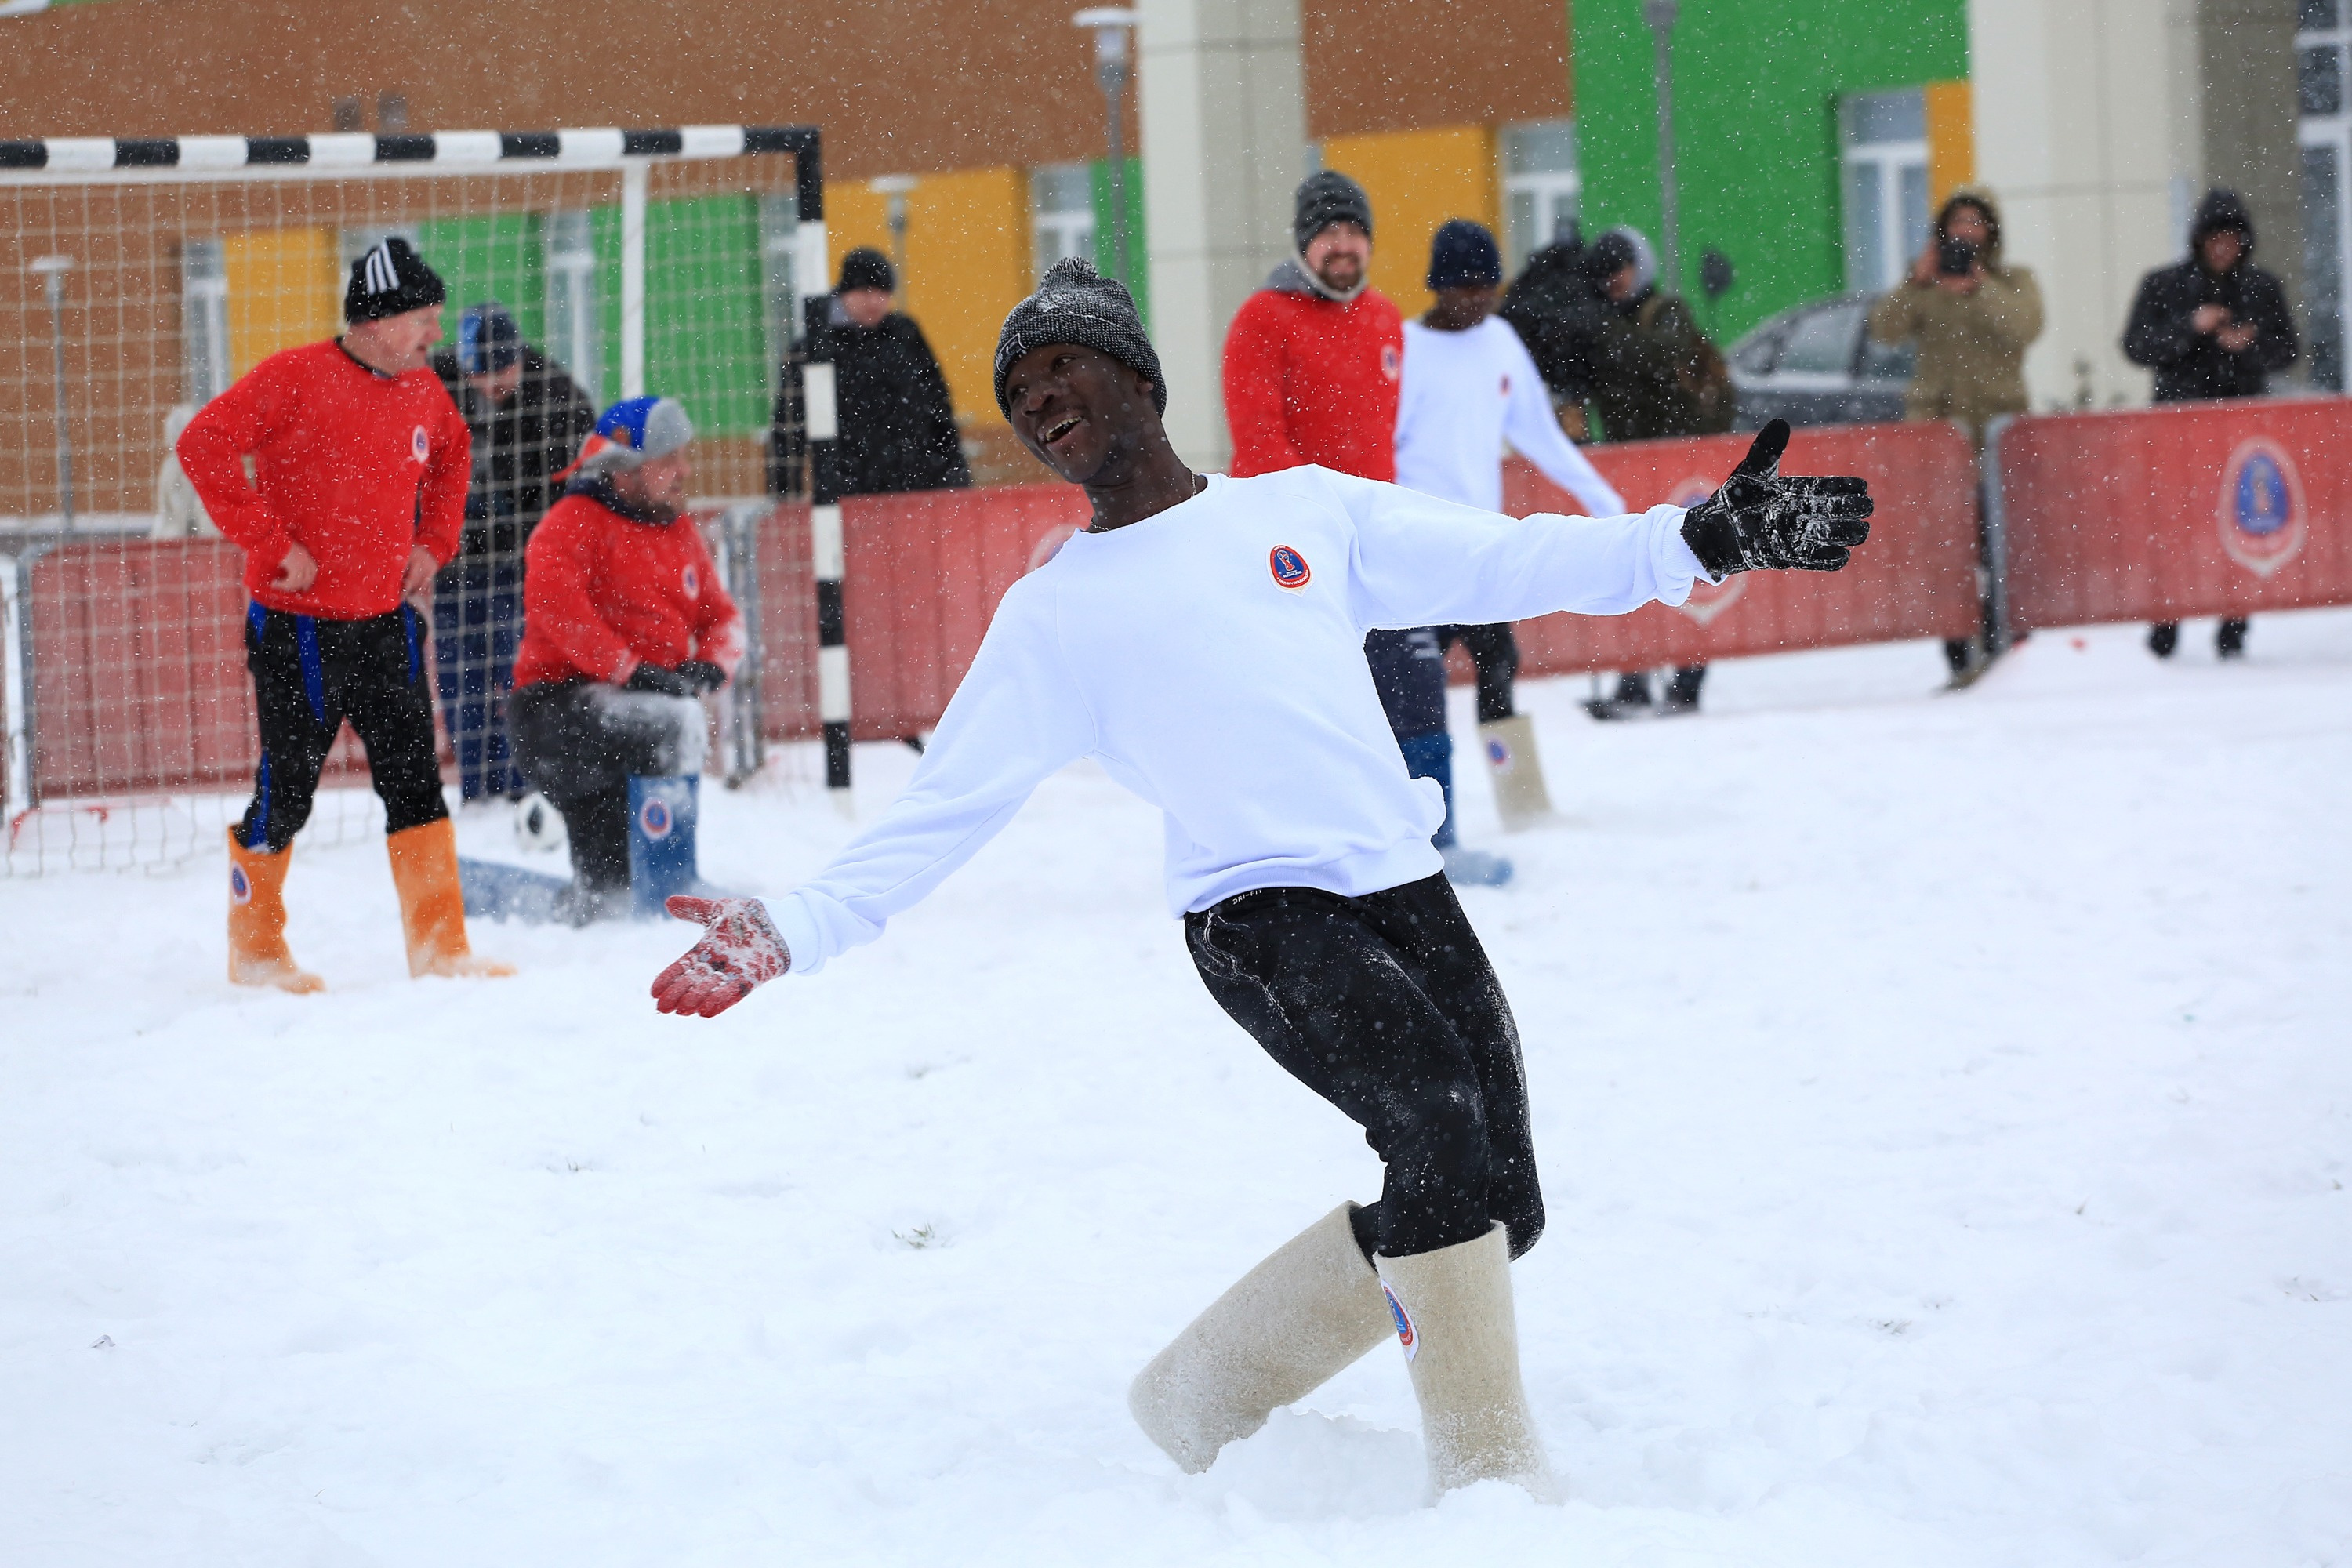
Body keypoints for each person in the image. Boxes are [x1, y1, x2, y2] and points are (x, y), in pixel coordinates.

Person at [645, 256, 1874, 1501]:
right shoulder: (1054, 614)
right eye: (1018, 386)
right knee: (1435, 1121)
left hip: (1401, 881)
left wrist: (1696, 538)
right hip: (1256, 913)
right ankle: (1494, 1484)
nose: (1038, 395)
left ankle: (1199, 1396)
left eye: (1062, 363)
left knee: (1499, 1203)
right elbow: (944, 808)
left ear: (1139, 377)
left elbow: (1506, 563)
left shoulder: (1303, 512)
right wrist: (796, 925)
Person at [176, 237, 510, 990]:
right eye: (425, 318)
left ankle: (441, 948)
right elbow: (204, 444)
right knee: (287, 790)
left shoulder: (427, 391)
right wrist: (268, 540)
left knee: (417, 783)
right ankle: (256, 949)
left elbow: (453, 456)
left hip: (386, 621)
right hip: (298, 629)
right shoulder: (295, 376)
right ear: (380, 317)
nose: (434, 334)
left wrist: (435, 541)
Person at [1221, 171, 1510, 884]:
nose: (1342, 247)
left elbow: (1390, 439)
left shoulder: (1385, 320)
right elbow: (1261, 445)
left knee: (1416, 689)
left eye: (1354, 233)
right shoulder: (1261, 319)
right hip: (1292, 551)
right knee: (1312, 709)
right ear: (1302, 243)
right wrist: (1319, 533)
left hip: (1376, 548)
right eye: (1327, 234)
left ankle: (1434, 848)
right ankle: (1302, 858)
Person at [1396, 220, 1629, 830]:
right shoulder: (1404, 350)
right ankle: (1417, 815)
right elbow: (1380, 451)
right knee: (1410, 689)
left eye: (1488, 288)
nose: (1477, 301)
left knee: (1498, 665)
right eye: (1465, 288)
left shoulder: (1500, 341)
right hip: (1417, 553)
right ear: (1438, 288)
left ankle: (1519, 801)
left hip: (1482, 550)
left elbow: (1538, 433)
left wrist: (1601, 499)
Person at [509, 397, 744, 924]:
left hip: (624, 706)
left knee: (613, 872)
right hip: (556, 711)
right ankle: (662, 882)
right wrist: (630, 670)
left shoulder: (676, 529)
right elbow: (556, 608)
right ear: (625, 471)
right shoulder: (572, 522)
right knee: (675, 722)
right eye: (668, 460)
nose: (684, 470)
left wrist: (710, 664)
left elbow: (723, 619)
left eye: (683, 456)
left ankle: (624, 889)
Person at [1867, 186, 2045, 681]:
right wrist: (1914, 281)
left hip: (1998, 433)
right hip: (1938, 436)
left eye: (1976, 222)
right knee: (1946, 550)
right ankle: (1955, 651)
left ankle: (2004, 645)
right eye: (1957, 222)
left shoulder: (2013, 280)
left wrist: (1980, 287)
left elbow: (2026, 327)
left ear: (1992, 232)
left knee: (2001, 546)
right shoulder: (1925, 283)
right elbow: (1883, 330)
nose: (1966, 232)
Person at [428, 302, 600, 802]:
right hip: (455, 564)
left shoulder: (558, 397)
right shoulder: (431, 388)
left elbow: (580, 491)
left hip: (527, 564)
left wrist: (546, 550)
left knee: (523, 674)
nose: (491, 384)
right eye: (479, 373)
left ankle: (531, 791)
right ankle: (479, 792)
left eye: (503, 370)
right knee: (463, 681)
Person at [2122, 189, 2299, 661]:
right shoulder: (2162, 286)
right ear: (2198, 239)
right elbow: (2136, 345)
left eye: (2232, 238)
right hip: (2177, 432)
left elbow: (2289, 351)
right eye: (2215, 238)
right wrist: (2190, 328)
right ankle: (2165, 624)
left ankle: (2233, 625)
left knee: (2241, 525)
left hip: (2241, 432)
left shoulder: (2262, 288)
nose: (2224, 247)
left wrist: (2250, 345)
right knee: (2174, 529)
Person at [1580, 227, 1737, 720]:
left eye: (1621, 266)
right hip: (1628, 469)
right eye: (1605, 271)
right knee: (1634, 572)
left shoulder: (1665, 313)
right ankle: (1634, 679)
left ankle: (1687, 681)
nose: (1615, 280)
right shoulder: (1606, 324)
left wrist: (1600, 328)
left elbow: (1654, 361)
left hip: (1676, 468)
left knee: (1686, 573)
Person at [771, 248, 971, 499]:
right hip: (850, 496)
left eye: (884, 292)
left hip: (919, 487)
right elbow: (788, 428)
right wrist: (786, 495)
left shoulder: (904, 335)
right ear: (845, 292)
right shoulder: (813, 349)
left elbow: (938, 406)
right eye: (866, 291)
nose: (876, 302)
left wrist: (955, 474)